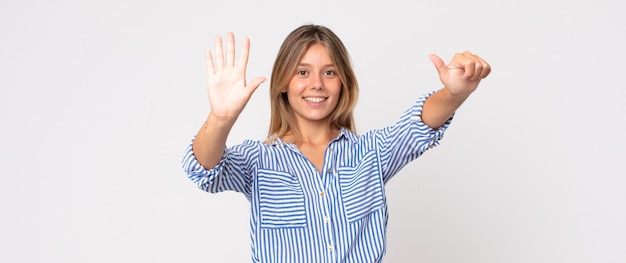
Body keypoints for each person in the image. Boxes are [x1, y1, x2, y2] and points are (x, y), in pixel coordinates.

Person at [182, 24, 490, 262]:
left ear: (343, 83)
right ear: (283, 83)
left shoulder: (369, 154)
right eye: (303, 72)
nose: (316, 83)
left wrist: (454, 93)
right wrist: (220, 118)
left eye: (329, 72)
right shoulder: (258, 161)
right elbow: (204, 169)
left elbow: (417, 127)